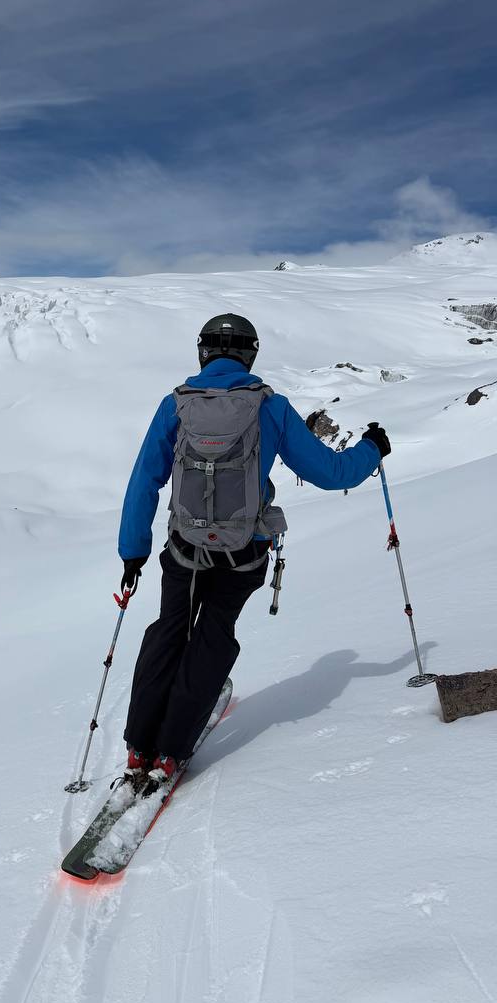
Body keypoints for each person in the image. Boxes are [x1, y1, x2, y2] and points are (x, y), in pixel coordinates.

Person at [117, 313, 390, 791]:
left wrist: (132, 552)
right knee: (213, 634)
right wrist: (372, 448)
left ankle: (140, 746)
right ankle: (170, 752)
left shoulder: (175, 405)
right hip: (243, 553)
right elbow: (332, 473)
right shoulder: (271, 407)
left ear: (203, 353)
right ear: (251, 354)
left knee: (168, 629)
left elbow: (145, 480)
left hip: (183, 550)